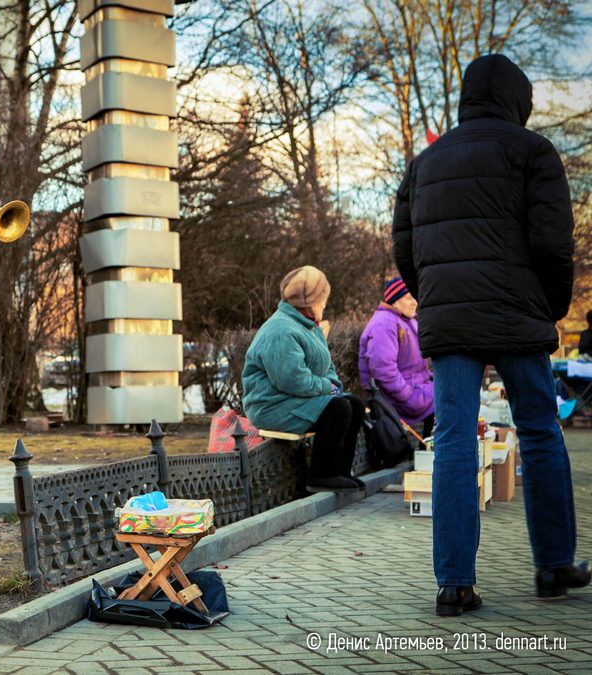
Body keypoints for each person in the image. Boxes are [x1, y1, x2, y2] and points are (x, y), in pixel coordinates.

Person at [392, 54, 587, 617]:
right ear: (517, 100)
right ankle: (553, 566)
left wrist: (434, 296)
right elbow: (553, 240)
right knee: (542, 431)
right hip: (519, 312)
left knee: (453, 441)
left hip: (452, 321)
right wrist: (549, 306)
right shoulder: (532, 151)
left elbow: (404, 247)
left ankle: (454, 586)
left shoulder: (425, 162)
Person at [242, 266, 365, 492]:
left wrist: (333, 385)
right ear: (309, 302)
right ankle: (321, 476)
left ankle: (340, 473)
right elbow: (292, 380)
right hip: (272, 405)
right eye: (322, 300)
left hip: (294, 399)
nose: (325, 305)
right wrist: (327, 388)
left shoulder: (309, 326)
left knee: (354, 405)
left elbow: (326, 366)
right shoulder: (281, 330)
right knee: (338, 408)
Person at [358, 277, 435, 439]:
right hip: (396, 399)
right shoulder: (384, 324)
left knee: (450, 394)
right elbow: (383, 370)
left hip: (417, 389)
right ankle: (432, 454)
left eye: (416, 297)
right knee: (448, 400)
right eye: (409, 298)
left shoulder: (408, 321)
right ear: (394, 300)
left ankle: (430, 451)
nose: (415, 302)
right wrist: (408, 395)